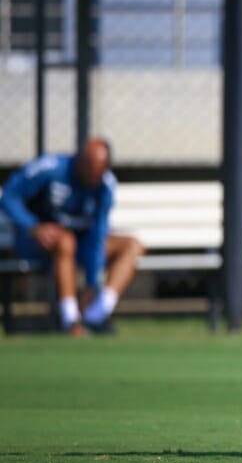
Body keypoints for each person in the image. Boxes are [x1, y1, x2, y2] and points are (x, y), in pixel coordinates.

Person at [1, 138, 145, 336]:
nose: (92, 177)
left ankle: (96, 316)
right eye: (89, 168)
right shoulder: (50, 168)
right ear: (79, 159)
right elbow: (9, 195)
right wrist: (33, 227)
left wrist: (92, 283)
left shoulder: (105, 186)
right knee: (65, 240)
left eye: (98, 172)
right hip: (38, 243)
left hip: (80, 246)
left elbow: (98, 234)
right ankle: (70, 320)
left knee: (132, 245)